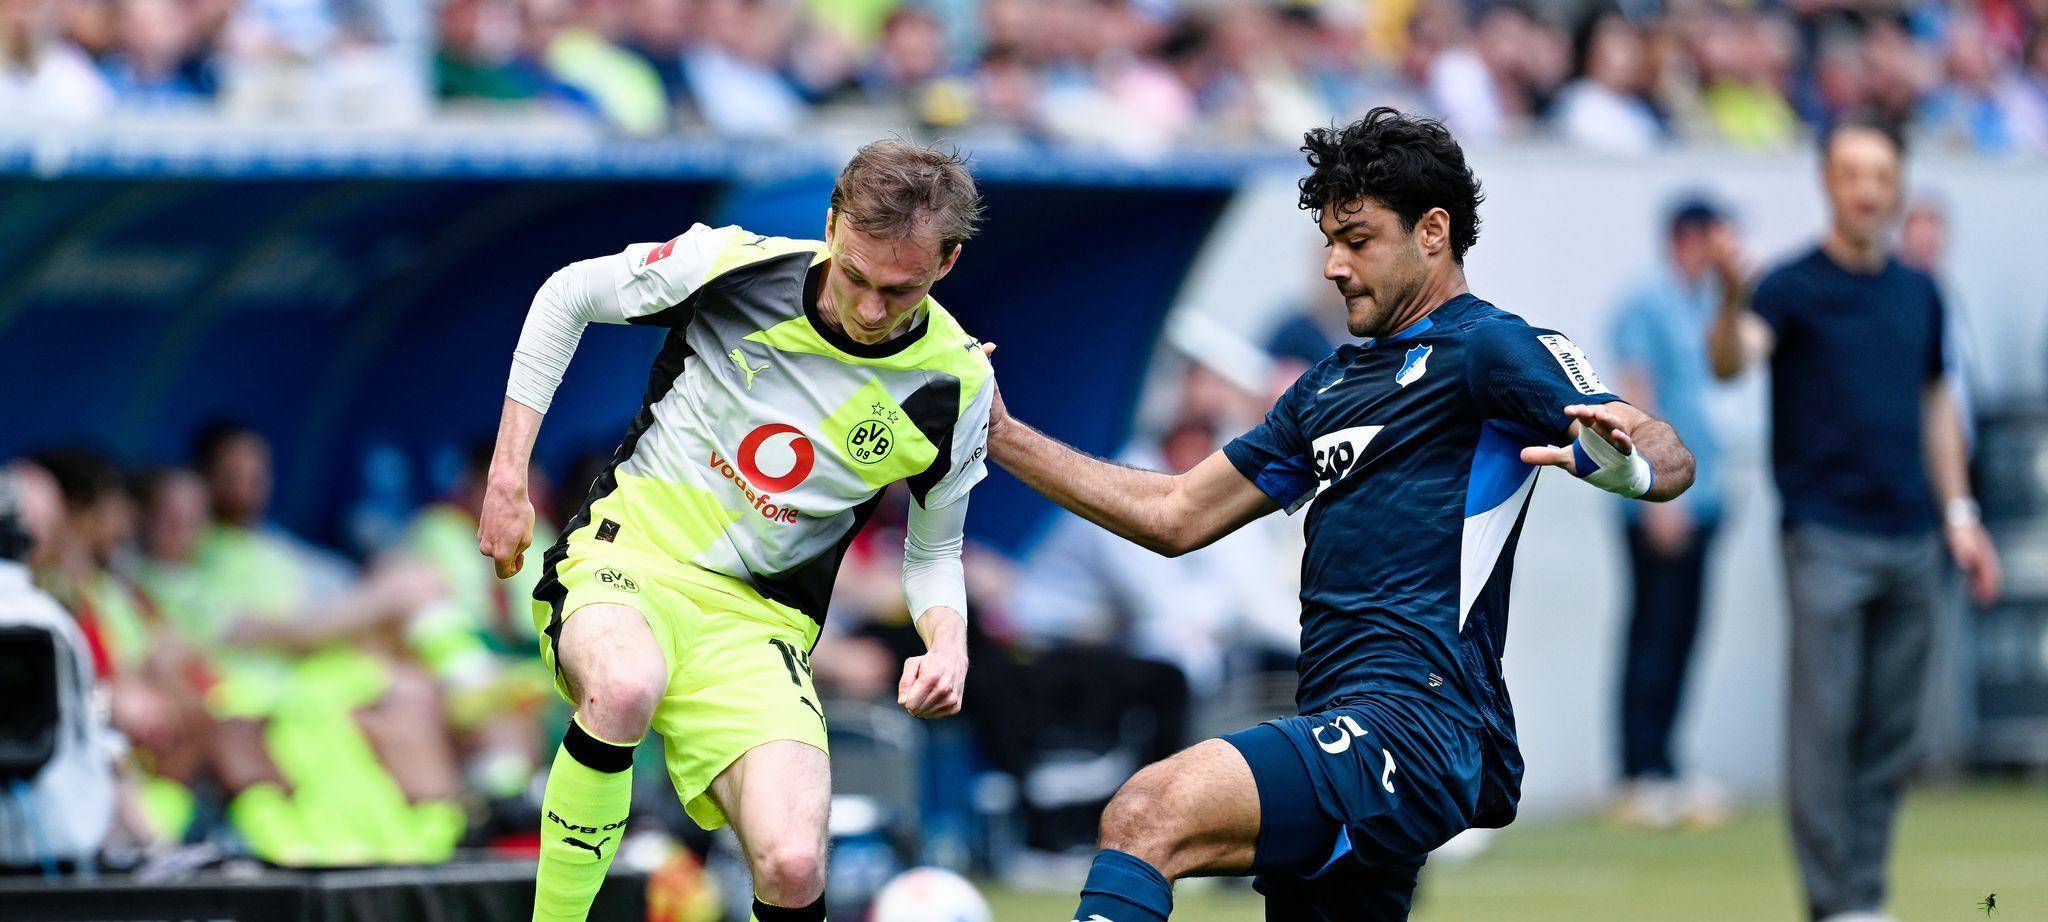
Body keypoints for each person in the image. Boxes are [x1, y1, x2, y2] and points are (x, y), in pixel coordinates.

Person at [985, 107, 1695, 922]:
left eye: (1356, 240)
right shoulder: (1324, 388)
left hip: (1417, 719)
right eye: (1328, 240)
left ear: (1433, 231)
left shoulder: (1490, 348)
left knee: (1150, 811)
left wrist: (1630, 462)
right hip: (1336, 716)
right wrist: (1000, 435)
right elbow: (1175, 513)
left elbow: (1659, 447)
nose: (1332, 265)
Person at [477, 139, 993, 922]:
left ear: (947, 263)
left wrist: (947, 645)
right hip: (633, 558)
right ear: (832, 225)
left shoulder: (956, 382)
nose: (869, 309)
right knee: (623, 686)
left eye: (901, 290)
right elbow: (566, 294)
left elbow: (935, 548)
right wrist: (508, 478)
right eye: (855, 276)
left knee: (793, 863)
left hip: (759, 624)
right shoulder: (732, 267)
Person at [1706, 118, 2001, 922]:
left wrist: (1961, 516)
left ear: (1898, 187)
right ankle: (1836, 902)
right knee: (1825, 728)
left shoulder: (1921, 292)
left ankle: (1864, 895)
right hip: (1825, 536)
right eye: (1852, 173)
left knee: (1890, 732)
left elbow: (1937, 405)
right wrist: (1729, 299)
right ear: (1827, 183)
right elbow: (1731, 361)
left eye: (1881, 175)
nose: (1868, 189)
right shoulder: (1788, 286)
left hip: (1914, 536)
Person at [1605, 197, 1738, 828]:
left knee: (1685, 633)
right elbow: (1638, 390)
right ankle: (1639, 771)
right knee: (1653, 633)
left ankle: (1666, 762)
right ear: (1690, 238)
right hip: (1664, 499)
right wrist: (1654, 488)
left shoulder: (1710, 304)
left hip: (1707, 494)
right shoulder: (1647, 303)